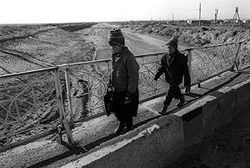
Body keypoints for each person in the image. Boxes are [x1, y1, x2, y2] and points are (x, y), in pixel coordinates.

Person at [108, 28, 139, 134]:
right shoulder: (115, 55)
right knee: (114, 108)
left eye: (114, 46)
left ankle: (125, 125)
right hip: (117, 89)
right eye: (111, 46)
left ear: (120, 45)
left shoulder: (128, 57)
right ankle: (126, 123)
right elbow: (114, 71)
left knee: (125, 110)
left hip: (126, 90)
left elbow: (133, 76)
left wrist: (130, 93)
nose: (112, 48)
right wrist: (110, 82)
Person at [154, 37, 191, 114]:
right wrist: (157, 75)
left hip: (177, 78)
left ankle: (165, 108)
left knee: (170, 93)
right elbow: (162, 67)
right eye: (168, 48)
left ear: (175, 47)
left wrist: (187, 85)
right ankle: (181, 99)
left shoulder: (181, 58)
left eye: (170, 48)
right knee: (175, 89)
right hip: (169, 78)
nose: (169, 49)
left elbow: (186, 72)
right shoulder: (165, 57)